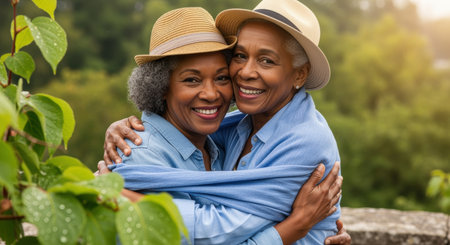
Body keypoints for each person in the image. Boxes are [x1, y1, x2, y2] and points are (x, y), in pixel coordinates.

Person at [100, 1, 351, 244]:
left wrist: (140, 205)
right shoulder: (227, 131)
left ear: (299, 73)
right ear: (160, 86)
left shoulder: (302, 142)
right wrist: (295, 227)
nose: (245, 72)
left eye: (266, 60)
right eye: (240, 56)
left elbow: (220, 230)